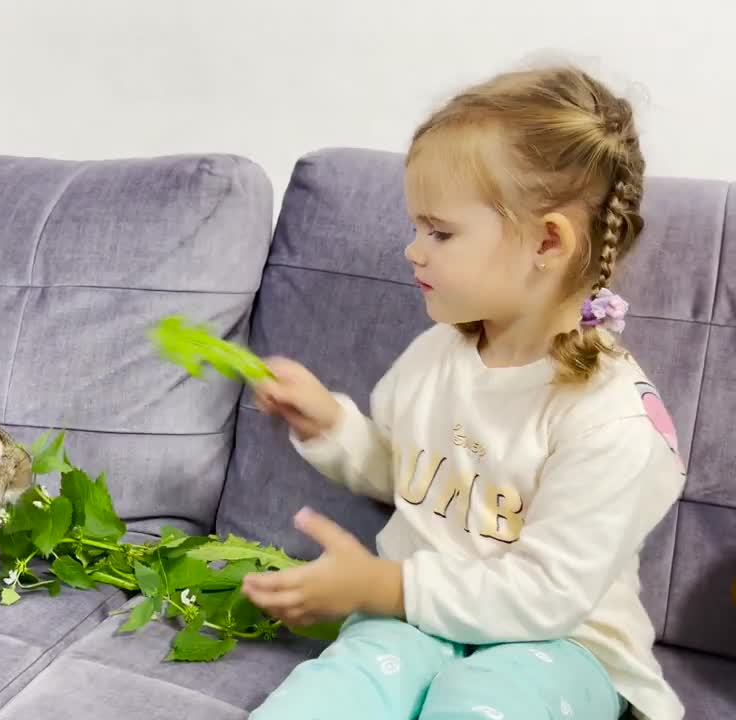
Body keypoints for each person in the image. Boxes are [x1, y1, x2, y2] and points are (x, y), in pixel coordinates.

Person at [242, 65, 686, 720]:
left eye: (439, 232)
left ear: (547, 240)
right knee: (334, 689)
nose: (412, 251)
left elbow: (547, 594)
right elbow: (412, 474)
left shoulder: (609, 415)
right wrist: (331, 426)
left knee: (482, 703)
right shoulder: (438, 355)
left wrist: (385, 584)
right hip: (414, 622)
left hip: (560, 644)